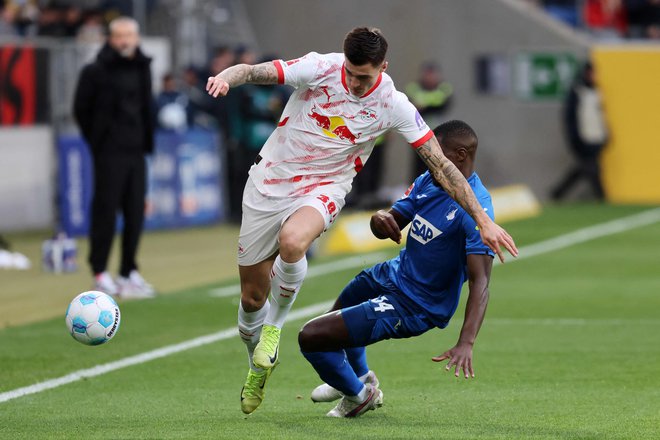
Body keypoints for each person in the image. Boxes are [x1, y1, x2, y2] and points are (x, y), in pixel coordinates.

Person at [205, 27, 517, 415]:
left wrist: (483, 221)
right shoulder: (318, 68)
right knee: (252, 297)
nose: (353, 82)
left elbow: (442, 166)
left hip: (325, 187)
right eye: (350, 72)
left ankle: (276, 329)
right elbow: (255, 72)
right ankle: (258, 362)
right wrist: (226, 77)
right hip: (268, 182)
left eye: (363, 76)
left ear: (384, 68)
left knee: (293, 242)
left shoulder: (394, 104)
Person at [298, 120, 494, 418]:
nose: (429, 159)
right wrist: (379, 219)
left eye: (436, 154)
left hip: (416, 304)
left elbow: (481, 282)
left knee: (311, 337)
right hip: (393, 273)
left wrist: (466, 342)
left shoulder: (475, 209)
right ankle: (359, 378)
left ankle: (358, 396)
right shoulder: (430, 180)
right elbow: (392, 223)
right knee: (336, 316)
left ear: (461, 155)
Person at [73, 16, 156, 298]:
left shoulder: (144, 68)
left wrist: (147, 142)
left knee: (135, 212)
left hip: (136, 151)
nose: (124, 41)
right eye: (119, 36)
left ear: (137, 38)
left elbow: (146, 108)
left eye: (129, 36)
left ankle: (128, 272)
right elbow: (80, 109)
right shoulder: (95, 71)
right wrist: (98, 141)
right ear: (110, 39)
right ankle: (100, 272)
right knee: (105, 212)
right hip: (109, 152)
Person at [551, 61, 608, 201]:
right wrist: (575, 138)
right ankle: (601, 197)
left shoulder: (595, 92)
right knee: (592, 168)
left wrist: (605, 133)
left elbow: (598, 115)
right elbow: (571, 119)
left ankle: (557, 193)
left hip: (596, 137)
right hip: (584, 138)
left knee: (584, 169)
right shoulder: (577, 92)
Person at [406, 61, 453, 179]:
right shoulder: (414, 88)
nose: (430, 77)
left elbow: (443, 107)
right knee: (419, 164)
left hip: (438, 134)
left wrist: (424, 107)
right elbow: (410, 107)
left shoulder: (444, 88)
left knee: (437, 164)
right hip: (419, 133)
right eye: (427, 74)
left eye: (432, 74)